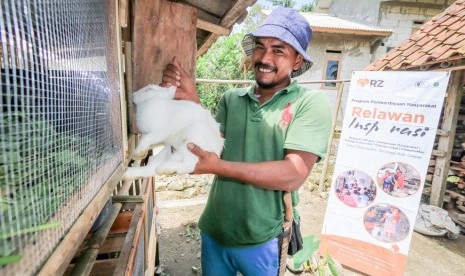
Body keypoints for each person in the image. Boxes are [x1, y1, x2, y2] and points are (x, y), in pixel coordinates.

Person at [161, 7, 332, 275]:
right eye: (260, 47)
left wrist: (219, 167)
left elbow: (293, 174)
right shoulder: (232, 99)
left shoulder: (309, 103)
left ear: (297, 61)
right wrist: (192, 102)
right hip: (215, 229)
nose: (264, 58)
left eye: (279, 50)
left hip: (263, 237)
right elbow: (210, 146)